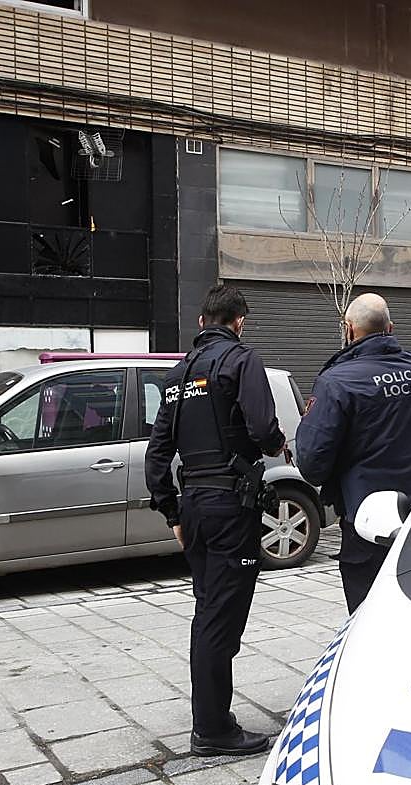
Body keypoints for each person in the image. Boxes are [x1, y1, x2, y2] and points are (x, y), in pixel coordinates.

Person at [145, 286, 285, 757]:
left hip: (194, 507)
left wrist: (171, 512)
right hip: (230, 505)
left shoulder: (177, 375)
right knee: (220, 618)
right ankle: (212, 728)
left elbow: (158, 453)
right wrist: (273, 445)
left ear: (203, 320)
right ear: (238, 321)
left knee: (207, 609)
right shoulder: (241, 361)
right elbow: (264, 429)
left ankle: (211, 717)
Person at [295, 293, 411, 613]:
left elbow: (311, 462)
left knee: (368, 617)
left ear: (348, 329)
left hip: (366, 521)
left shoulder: (336, 381)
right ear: (390, 327)